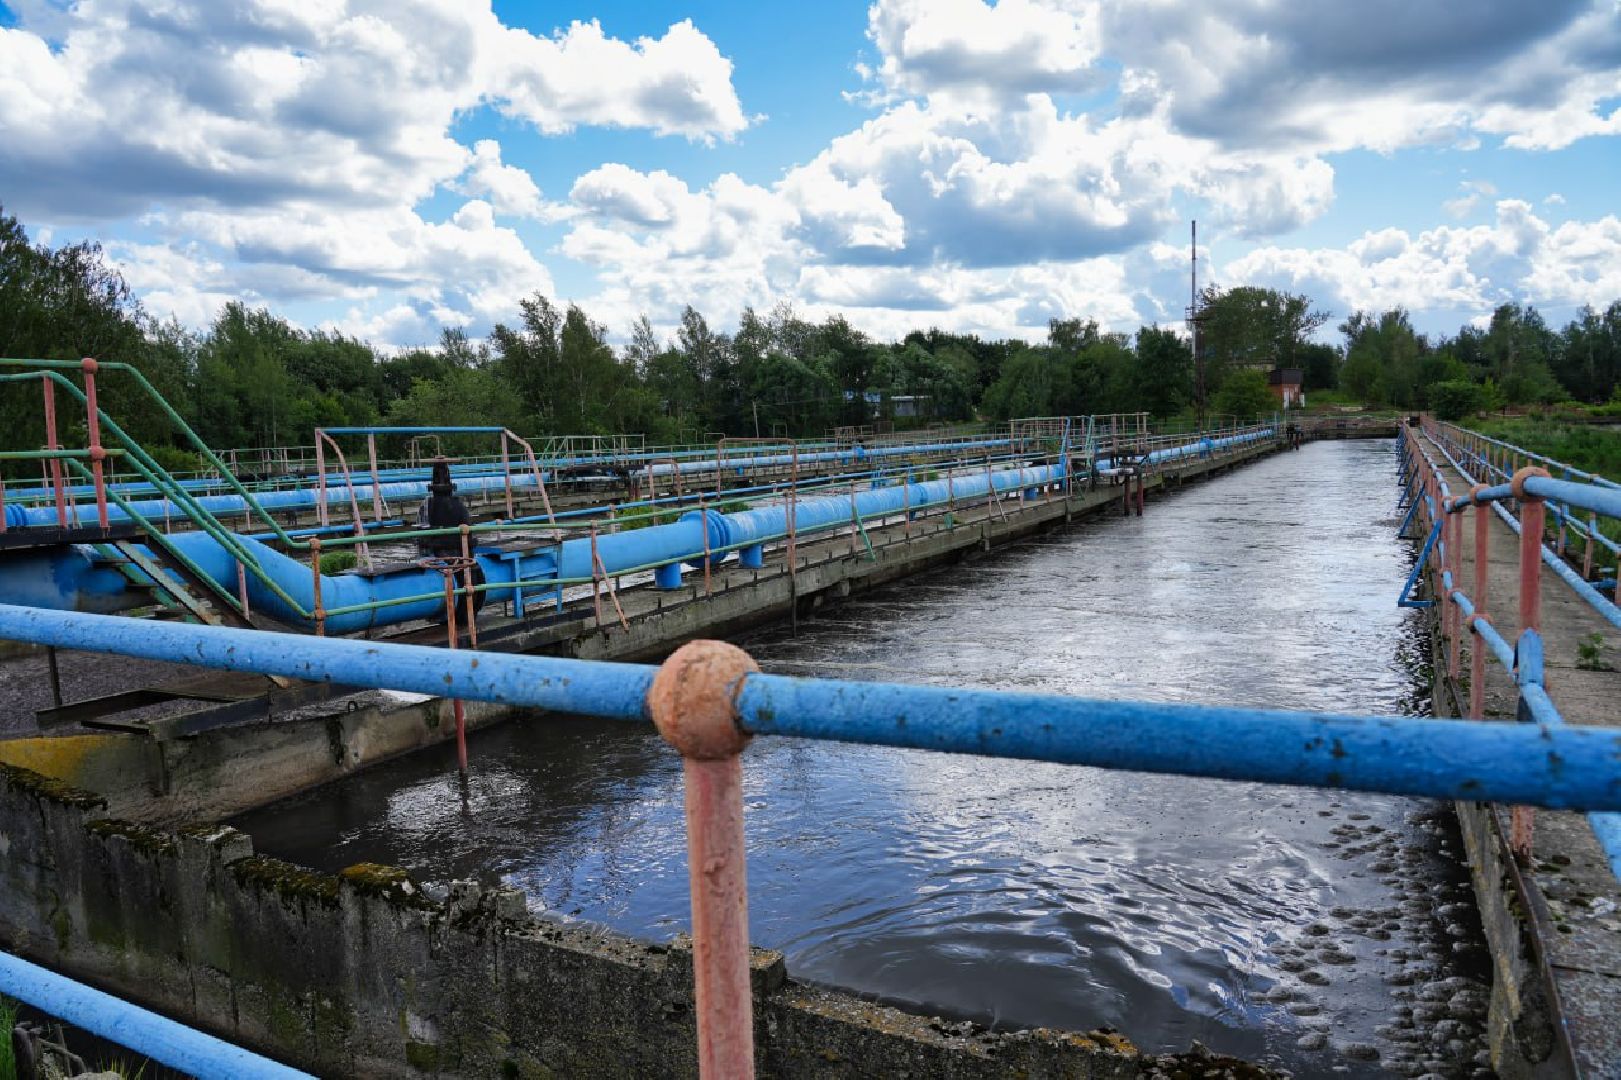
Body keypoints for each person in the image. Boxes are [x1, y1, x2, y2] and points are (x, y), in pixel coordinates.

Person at [417, 459, 470, 557]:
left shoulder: (426, 505)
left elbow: (422, 533)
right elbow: (468, 531)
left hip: (435, 553)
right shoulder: (459, 505)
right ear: (452, 488)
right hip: (458, 552)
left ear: (432, 489)